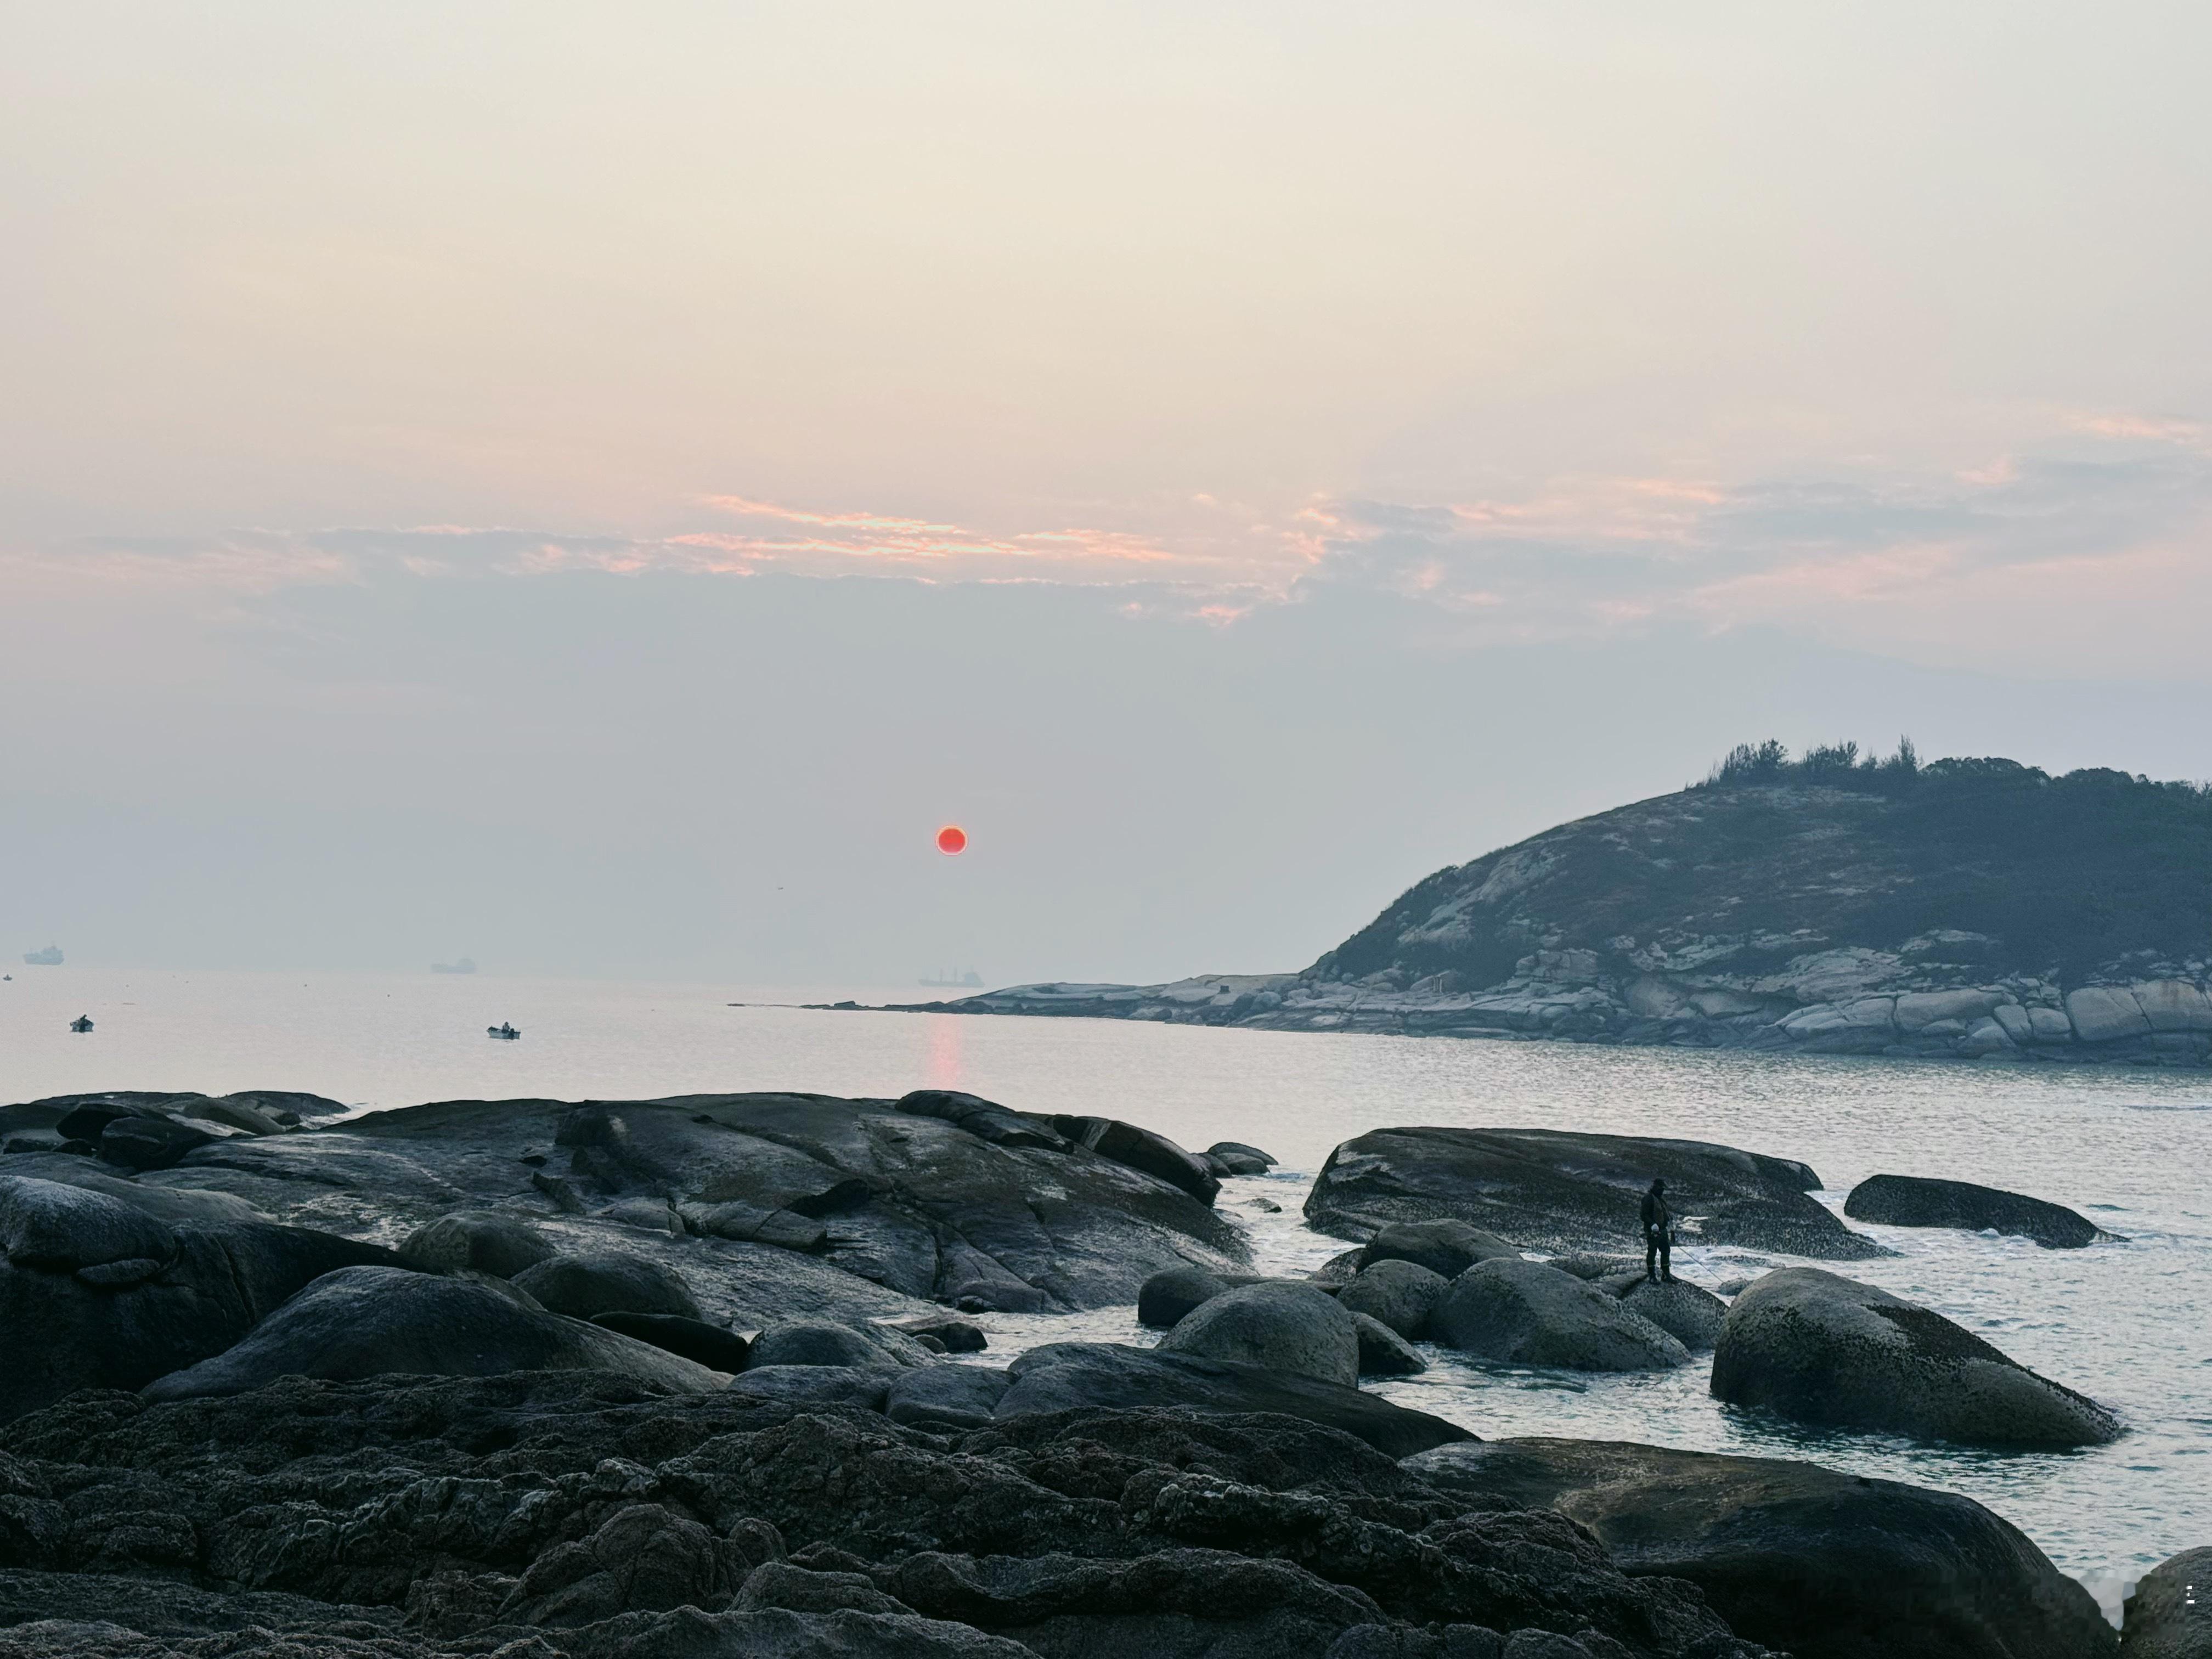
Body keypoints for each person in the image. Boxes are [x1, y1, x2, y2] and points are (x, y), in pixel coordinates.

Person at [1640, 1178, 1675, 1284]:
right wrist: (1652, 1224)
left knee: (1666, 1251)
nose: (1662, 1191)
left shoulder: (1660, 1200)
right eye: (1661, 1188)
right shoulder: (1648, 1198)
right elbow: (1643, 1215)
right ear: (1655, 1187)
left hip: (1663, 1231)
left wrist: (1672, 1230)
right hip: (1653, 1231)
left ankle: (1666, 1275)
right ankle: (1652, 1276)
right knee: (1652, 1252)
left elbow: (1667, 1216)